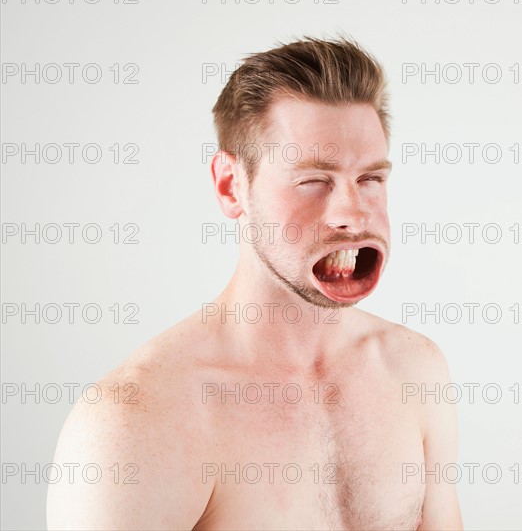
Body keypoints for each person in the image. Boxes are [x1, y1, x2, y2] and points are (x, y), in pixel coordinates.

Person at [47, 36, 463, 530]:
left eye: (371, 178)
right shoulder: (135, 422)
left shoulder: (415, 369)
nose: (353, 213)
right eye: (314, 180)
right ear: (230, 186)